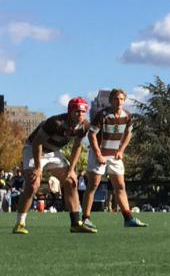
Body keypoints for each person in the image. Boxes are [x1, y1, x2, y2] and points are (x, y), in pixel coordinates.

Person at [14, 98, 96, 234]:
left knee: (71, 181)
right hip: (34, 149)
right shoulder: (56, 122)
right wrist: (38, 168)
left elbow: (77, 146)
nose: (80, 115)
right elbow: (37, 143)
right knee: (33, 184)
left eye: (83, 112)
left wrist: (71, 170)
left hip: (53, 151)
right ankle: (20, 223)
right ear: (70, 111)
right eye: (77, 111)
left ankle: (75, 223)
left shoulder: (84, 126)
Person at [81, 89, 145, 228]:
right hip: (99, 153)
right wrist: (98, 154)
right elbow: (91, 135)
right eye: (116, 99)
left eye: (122, 99)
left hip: (114, 155)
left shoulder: (127, 116)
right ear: (110, 101)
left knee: (120, 186)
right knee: (93, 185)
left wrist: (121, 150)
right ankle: (85, 218)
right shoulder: (102, 115)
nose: (119, 102)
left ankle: (128, 219)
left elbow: (129, 133)